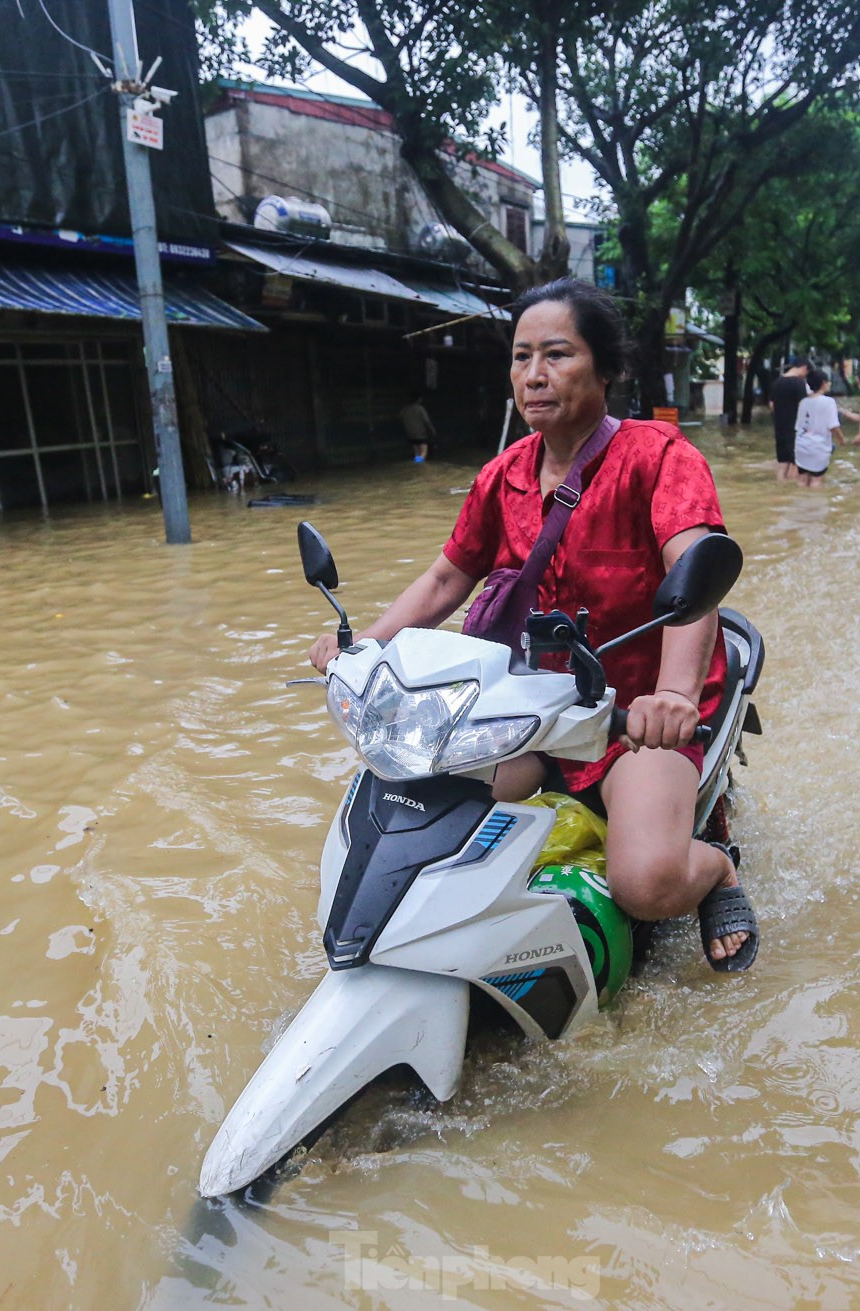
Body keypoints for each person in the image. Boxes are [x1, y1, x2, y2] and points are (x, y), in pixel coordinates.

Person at [307, 278, 757, 970]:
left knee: (644, 882)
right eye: (521, 358)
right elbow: (445, 579)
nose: (534, 376)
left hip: (633, 717)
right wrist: (362, 646)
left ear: (605, 370)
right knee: (424, 807)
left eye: (557, 354)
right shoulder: (502, 475)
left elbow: (694, 569)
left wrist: (669, 696)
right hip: (526, 708)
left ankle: (715, 869)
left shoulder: (658, 455)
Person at [791, 369, 842, 488]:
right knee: (816, 481)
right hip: (818, 448)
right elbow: (833, 426)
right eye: (828, 382)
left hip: (801, 447)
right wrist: (841, 439)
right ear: (823, 383)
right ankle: (815, 506)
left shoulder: (803, 402)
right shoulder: (829, 402)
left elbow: (799, 426)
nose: (829, 384)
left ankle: (800, 505)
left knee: (802, 481)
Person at [766, 358, 812, 481]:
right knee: (797, 463)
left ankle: (780, 488)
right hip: (795, 429)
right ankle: (791, 492)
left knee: (783, 463)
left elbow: (771, 405)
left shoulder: (777, 382)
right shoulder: (798, 383)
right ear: (804, 367)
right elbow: (803, 407)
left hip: (779, 428)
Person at [400, 391, 438, 463]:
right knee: (423, 452)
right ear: (419, 399)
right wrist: (432, 430)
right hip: (421, 434)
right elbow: (427, 421)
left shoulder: (404, 409)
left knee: (417, 453)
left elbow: (401, 418)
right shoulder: (420, 408)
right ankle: (418, 466)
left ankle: (417, 464)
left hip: (410, 435)